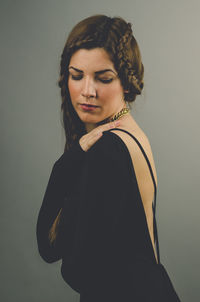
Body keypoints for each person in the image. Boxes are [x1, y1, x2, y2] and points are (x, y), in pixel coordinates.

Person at [36, 14, 182, 302]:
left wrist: (67, 164)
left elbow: (57, 255)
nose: (87, 91)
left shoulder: (107, 151)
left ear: (126, 83)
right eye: (76, 75)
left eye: (103, 78)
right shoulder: (132, 134)